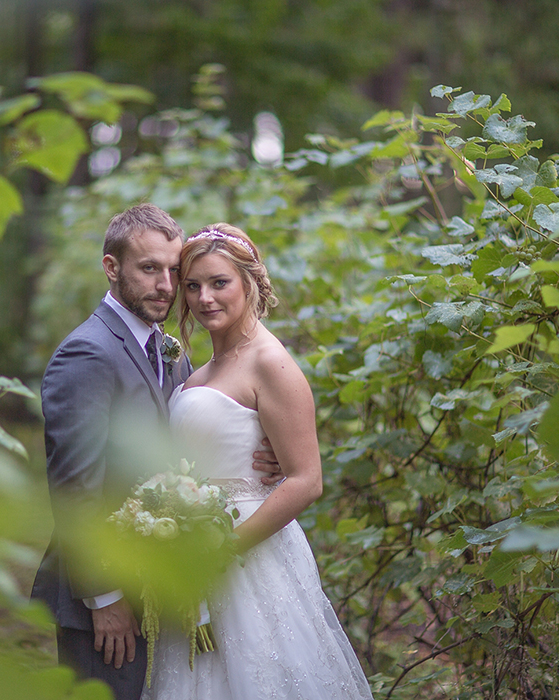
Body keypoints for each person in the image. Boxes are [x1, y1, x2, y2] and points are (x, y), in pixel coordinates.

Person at [31, 205, 280, 700]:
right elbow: (74, 486)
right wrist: (104, 598)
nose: (166, 285)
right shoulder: (89, 353)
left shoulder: (168, 349)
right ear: (111, 268)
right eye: (149, 269)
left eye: (173, 271)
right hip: (102, 599)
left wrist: (258, 448)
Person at [143, 223, 374, 700]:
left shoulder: (271, 362)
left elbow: (306, 480)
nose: (204, 297)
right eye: (193, 285)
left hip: (247, 551)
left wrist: (221, 549)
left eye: (219, 282)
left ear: (250, 282)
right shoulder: (200, 369)